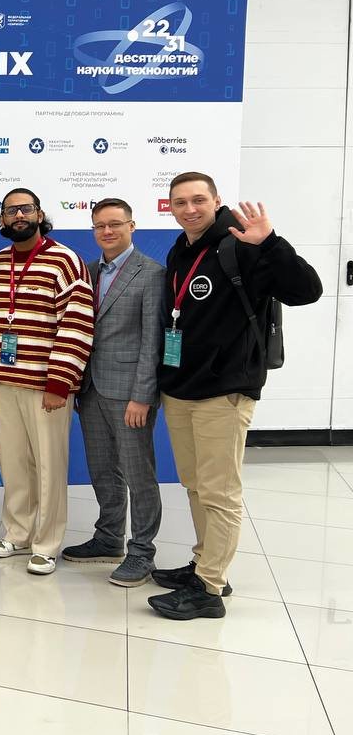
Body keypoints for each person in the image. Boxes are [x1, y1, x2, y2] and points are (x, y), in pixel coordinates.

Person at [148, 172, 322, 620]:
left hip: (224, 390)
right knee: (195, 486)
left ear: (216, 200)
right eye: (180, 202)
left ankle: (209, 589)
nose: (190, 209)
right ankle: (205, 563)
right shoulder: (181, 248)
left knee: (220, 492)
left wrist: (271, 243)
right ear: (170, 207)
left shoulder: (242, 243)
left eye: (198, 200)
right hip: (181, 388)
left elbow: (307, 291)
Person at [0, 187, 94, 576]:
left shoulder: (65, 261)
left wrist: (59, 382)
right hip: (1, 381)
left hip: (44, 384)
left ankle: (46, 545)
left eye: (25, 209)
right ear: (2, 219)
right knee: (13, 463)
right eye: (10, 211)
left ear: (40, 214)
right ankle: (17, 533)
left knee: (48, 466)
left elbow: (77, 324)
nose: (18, 216)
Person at [61, 198, 165, 586]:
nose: (107, 231)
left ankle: (142, 552)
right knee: (102, 469)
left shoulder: (151, 273)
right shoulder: (87, 272)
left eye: (115, 224)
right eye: (100, 225)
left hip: (129, 394)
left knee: (139, 475)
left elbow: (153, 341)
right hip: (90, 388)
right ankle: (108, 538)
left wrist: (143, 395)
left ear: (131, 226)